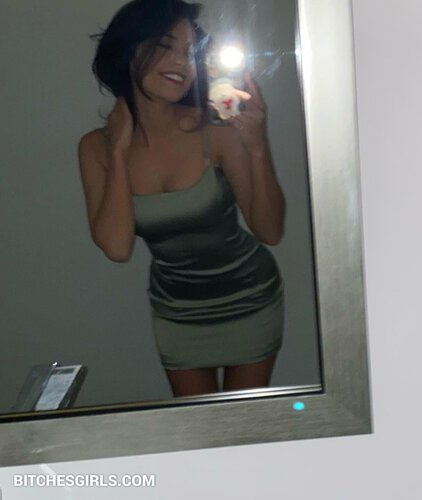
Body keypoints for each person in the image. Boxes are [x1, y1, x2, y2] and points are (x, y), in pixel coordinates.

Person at [78, 0, 286, 398]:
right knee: (197, 428)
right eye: (165, 45)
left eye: (191, 52)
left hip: (250, 300)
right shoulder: (96, 149)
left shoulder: (215, 130)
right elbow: (117, 248)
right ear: (130, 49)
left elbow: (270, 231)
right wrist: (119, 151)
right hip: (177, 314)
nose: (181, 61)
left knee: (242, 427)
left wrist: (258, 147)